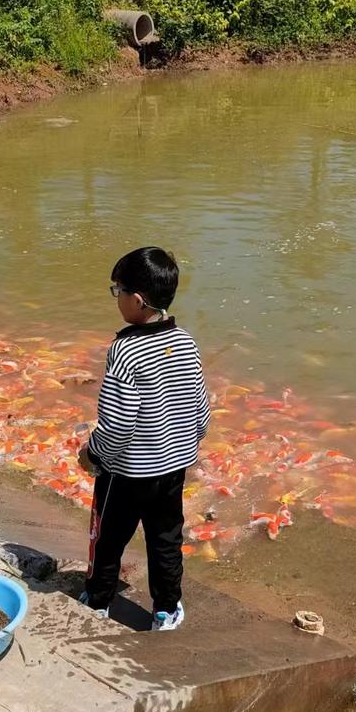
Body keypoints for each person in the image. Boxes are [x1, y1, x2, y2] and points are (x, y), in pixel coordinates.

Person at [78, 247, 210, 631]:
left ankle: (99, 599)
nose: (115, 297)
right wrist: (188, 445)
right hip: (172, 468)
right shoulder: (186, 341)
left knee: (109, 538)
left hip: (127, 472)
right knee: (166, 540)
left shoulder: (125, 350)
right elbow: (200, 409)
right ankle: (166, 610)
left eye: (116, 290)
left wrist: (94, 454)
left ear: (136, 301)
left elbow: (118, 423)